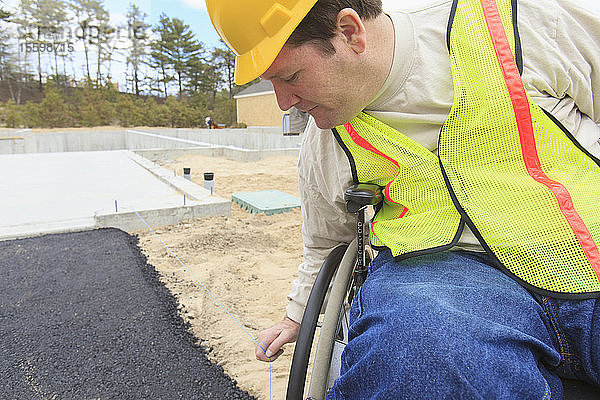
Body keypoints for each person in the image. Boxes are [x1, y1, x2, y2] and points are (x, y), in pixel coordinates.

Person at [206, 0, 600, 398]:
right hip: (443, 282)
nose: (283, 102)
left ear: (349, 31)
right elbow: (326, 242)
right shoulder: (327, 141)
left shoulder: (521, 28)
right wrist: (296, 317)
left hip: (586, 250)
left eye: (291, 75)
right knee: (418, 352)